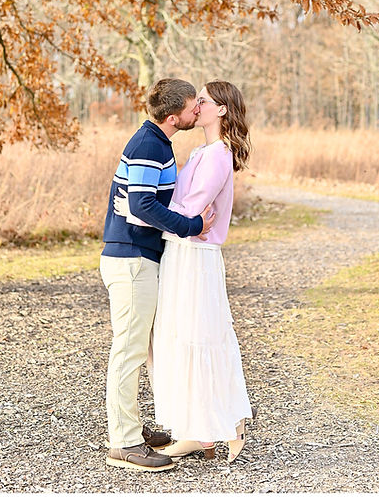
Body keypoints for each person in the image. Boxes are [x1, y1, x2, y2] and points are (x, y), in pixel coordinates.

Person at [115, 80, 255, 463]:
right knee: (178, 339)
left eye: (204, 101)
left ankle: (227, 424)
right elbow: (177, 208)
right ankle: (196, 431)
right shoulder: (202, 151)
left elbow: (190, 210)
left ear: (221, 110)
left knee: (198, 337)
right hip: (180, 250)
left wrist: (134, 210)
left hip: (195, 256)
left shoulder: (218, 155)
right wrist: (148, 210)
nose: (198, 106)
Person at [100, 78, 216, 472]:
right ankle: (124, 443)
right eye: (191, 107)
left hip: (139, 257)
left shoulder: (157, 142)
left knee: (142, 348)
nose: (197, 110)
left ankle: (130, 427)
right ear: (173, 117)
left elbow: (139, 202)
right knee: (129, 350)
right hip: (131, 259)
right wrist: (192, 224)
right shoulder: (149, 144)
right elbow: (141, 203)